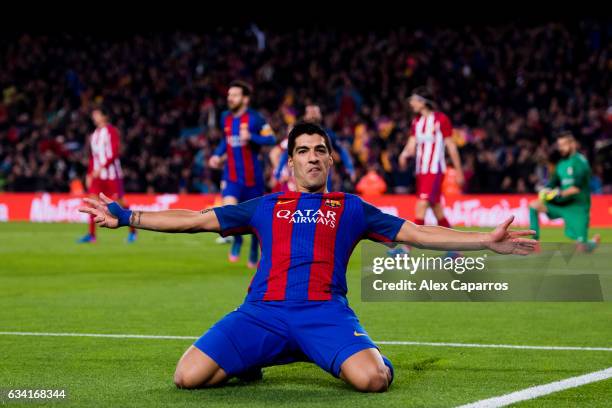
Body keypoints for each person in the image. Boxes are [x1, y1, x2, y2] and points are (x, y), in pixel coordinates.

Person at [79, 122, 536, 392]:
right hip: (261, 313)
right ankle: (267, 355)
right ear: (291, 163)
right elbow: (195, 219)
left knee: (373, 381)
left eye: (320, 151)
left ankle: (348, 350)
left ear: (331, 160)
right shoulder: (266, 205)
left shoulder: (352, 208)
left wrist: (483, 241)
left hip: (324, 314)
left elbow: (416, 231)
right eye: (303, 151)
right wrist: (128, 215)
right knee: (187, 378)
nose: (312, 158)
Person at [208, 80, 276, 268]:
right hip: (231, 176)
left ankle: (254, 249)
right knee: (229, 211)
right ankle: (237, 240)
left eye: (234, 95)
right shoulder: (225, 118)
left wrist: (252, 137)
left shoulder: (256, 119)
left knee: (255, 219)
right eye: (229, 95)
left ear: (245, 99)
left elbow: (271, 138)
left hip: (253, 178)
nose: (230, 98)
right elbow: (226, 141)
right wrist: (216, 155)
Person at [399, 87, 464, 228]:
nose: (411, 104)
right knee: (436, 208)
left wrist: (459, 172)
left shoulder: (441, 119)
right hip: (421, 171)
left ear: (423, 102)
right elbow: (411, 145)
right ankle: (455, 245)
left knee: (421, 205)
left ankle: (407, 247)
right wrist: (403, 155)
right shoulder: (416, 122)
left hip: (435, 170)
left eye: (414, 100)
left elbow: (451, 147)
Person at [529, 132, 600, 252]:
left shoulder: (580, 162)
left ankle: (591, 244)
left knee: (581, 249)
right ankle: (534, 243)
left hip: (578, 207)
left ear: (572, 144)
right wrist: (546, 190)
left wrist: (557, 193)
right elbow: (553, 183)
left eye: (563, 145)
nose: (560, 148)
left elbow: (576, 188)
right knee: (533, 206)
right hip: (562, 204)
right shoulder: (561, 164)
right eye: (559, 145)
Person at [78, 106, 136, 243]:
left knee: (121, 204)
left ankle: (133, 231)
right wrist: (89, 173)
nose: (94, 117)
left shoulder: (111, 131)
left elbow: (115, 153)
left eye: (96, 114)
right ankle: (92, 235)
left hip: (112, 175)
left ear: (104, 116)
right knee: (92, 203)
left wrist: (102, 167)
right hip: (98, 177)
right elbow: (93, 156)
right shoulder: (95, 134)